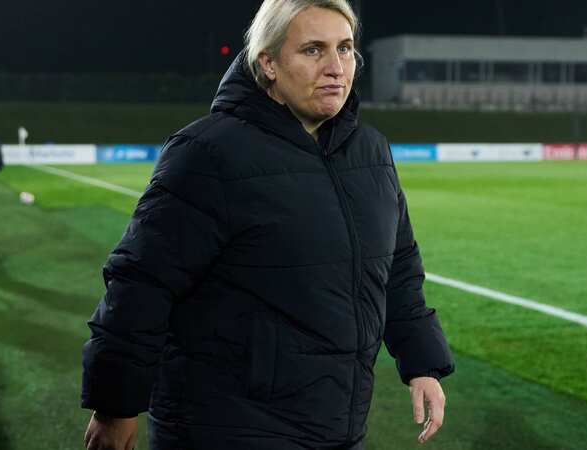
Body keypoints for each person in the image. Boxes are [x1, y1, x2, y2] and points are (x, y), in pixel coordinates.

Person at [81, 1, 455, 449]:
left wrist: (422, 362)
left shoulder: (371, 153)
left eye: (346, 48)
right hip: (223, 425)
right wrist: (116, 405)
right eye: (313, 50)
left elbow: (398, 269)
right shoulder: (209, 153)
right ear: (269, 64)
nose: (336, 67)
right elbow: (142, 283)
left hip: (337, 427)